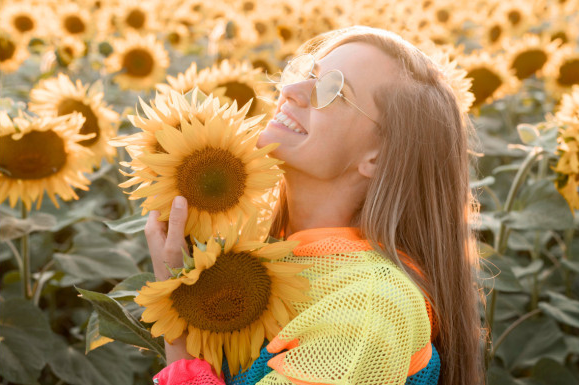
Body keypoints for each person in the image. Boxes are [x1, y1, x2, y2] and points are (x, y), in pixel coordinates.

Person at [145, 26, 486, 385]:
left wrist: (180, 325)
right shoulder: (257, 248)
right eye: (307, 73)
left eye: (333, 91)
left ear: (379, 156)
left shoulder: (371, 304)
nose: (289, 92)